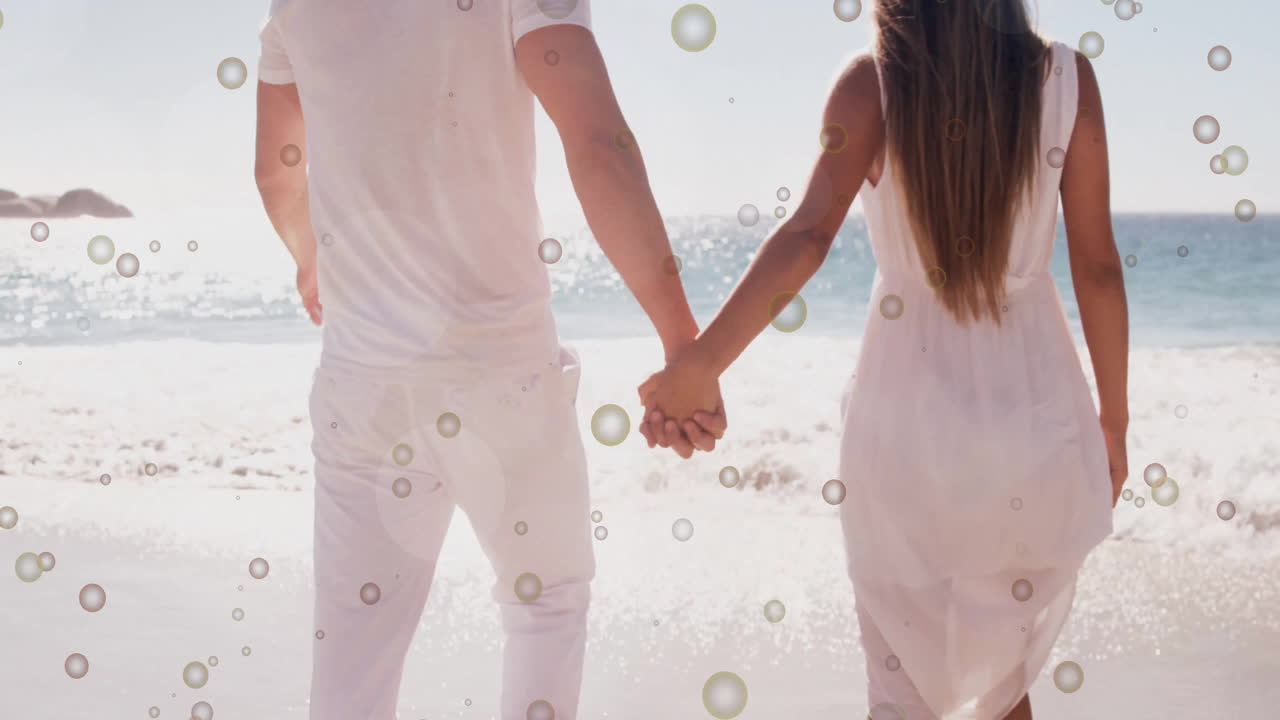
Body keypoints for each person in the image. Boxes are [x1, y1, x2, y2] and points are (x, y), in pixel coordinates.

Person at [640, 1, 1128, 717]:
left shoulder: (873, 83)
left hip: (909, 423)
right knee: (1002, 688)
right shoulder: (1066, 78)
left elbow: (807, 234)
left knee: (908, 691)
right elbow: (1098, 267)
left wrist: (702, 363)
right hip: (1034, 412)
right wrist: (1112, 421)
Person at [253, 1, 723, 717]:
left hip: (363, 382)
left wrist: (309, 256)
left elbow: (277, 173)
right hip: (502, 372)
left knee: (353, 658)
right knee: (546, 607)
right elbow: (597, 144)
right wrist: (682, 341)